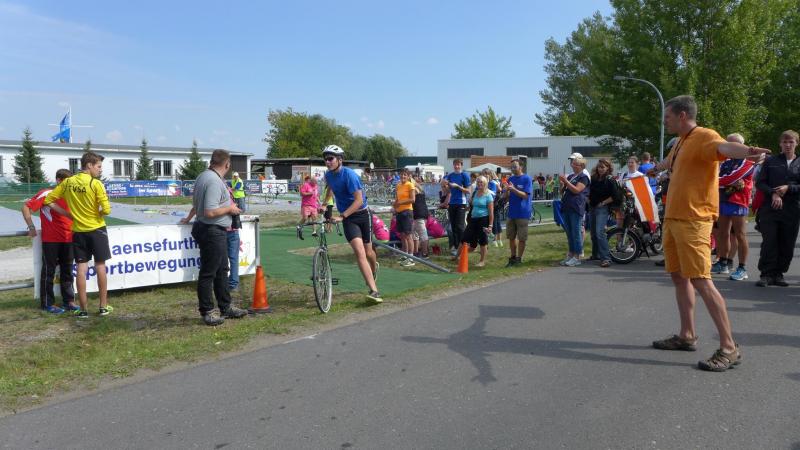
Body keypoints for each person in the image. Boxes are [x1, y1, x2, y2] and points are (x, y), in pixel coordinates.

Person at [652, 94, 770, 371]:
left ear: (682, 115)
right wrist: (651, 169)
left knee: (701, 280)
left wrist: (750, 151)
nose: (664, 121)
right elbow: (668, 163)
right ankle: (687, 335)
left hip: (694, 220)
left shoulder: (704, 136)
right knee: (679, 277)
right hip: (674, 218)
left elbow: (725, 148)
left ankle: (729, 347)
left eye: (667, 117)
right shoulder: (680, 142)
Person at [44, 152, 112, 319]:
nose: (100, 170)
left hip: (78, 232)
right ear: (89, 165)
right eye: (99, 166)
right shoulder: (95, 184)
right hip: (97, 230)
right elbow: (107, 210)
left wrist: (69, 215)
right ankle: (103, 307)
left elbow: (48, 201)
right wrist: (96, 213)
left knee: (81, 268)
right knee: (100, 266)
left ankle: (83, 309)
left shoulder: (68, 182)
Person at [188, 150, 249, 326]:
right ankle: (207, 311)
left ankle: (225, 306)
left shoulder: (203, 176)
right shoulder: (214, 181)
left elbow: (200, 206)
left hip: (211, 229)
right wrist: (230, 209)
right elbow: (210, 211)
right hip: (211, 230)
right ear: (227, 164)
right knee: (209, 272)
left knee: (222, 269)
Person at [321, 145, 382, 303]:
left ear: (340, 160)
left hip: (362, 214)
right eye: (325, 159)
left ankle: (373, 268)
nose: (327, 162)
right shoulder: (329, 175)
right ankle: (374, 291)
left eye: (330, 159)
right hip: (349, 219)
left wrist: (342, 216)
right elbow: (330, 189)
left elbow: (359, 200)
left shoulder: (350, 175)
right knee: (359, 253)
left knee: (369, 252)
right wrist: (324, 203)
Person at [22, 169, 78, 314]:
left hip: (69, 238)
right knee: (49, 272)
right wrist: (31, 227)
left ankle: (69, 301)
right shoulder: (47, 193)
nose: (70, 185)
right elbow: (26, 207)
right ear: (58, 180)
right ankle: (47, 303)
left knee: (67, 271)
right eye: (67, 182)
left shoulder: (72, 194)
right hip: (51, 239)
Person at [754, 130, 800, 287]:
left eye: (791, 142)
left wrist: (789, 188)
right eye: (785, 142)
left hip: (792, 209)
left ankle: (779, 274)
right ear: (780, 144)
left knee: (787, 242)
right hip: (770, 208)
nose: (788, 145)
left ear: (796, 143)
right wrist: (773, 193)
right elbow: (760, 183)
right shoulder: (771, 161)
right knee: (770, 241)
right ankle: (766, 274)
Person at [711, 133, 758, 281]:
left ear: (741, 146)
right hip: (723, 200)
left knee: (740, 235)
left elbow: (728, 178)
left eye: (733, 144)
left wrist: (719, 182)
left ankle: (742, 268)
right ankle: (723, 263)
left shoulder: (748, 163)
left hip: (738, 201)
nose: (729, 147)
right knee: (722, 233)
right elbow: (717, 178)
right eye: (728, 144)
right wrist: (722, 182)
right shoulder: (725, 162)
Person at [559, 156, 590, 267]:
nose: (573, 166)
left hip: (576, 207)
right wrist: (562, 184)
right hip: (567, 206)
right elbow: (562, 191)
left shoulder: (584, 177)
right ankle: (571, 254)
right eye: (573, 164)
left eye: (576, 164)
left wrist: (566, 181)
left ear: (582, 166)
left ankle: (577, 256)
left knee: (576, 232)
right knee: (569, 232)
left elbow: (577, 190)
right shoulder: (571, 176)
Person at [461, 176, 494, 267]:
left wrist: (490, 226)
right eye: (478, 182)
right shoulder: (475, 193)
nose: (479, 184)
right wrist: (466, 208)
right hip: (473, 219)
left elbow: (491, 213)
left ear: (485, 183)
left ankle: (482, 261)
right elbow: (472, 205)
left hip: (483, 219)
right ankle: (459, 256)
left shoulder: (488, 195)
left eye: (481, 182)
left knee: (483, 241)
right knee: (465, 238)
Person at [504, 159, 532, 267]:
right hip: (512, 212)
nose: (512, 168)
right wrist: (506, 190)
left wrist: (513, 189)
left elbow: (526, 196)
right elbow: (506, 197)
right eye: (511, 167)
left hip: (522, 213)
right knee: (511, 237)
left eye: (515, 166)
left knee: (522, 238)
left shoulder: (527, 178)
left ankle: (519, 259)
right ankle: (512, 257)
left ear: (521, 167)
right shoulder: (510, 179)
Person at [588, 159, 616, 267]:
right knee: (593, 233)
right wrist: (587, 199)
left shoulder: (610, 180)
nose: (600, 169)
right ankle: (596, 254)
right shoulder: (594, 178)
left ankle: (606, 258)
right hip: (592, 207)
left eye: (603, 167)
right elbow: (588, 191)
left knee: (600, 233)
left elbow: (615, 196)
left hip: (602, 208)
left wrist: (603, 203)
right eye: (599, 167)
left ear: (608, 168)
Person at [440, 159, 471, 256]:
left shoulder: (464, 175)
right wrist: (444, 185)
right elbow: (446, 190)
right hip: (452, 203)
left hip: (461, 203)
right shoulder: (450, 175)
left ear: (461, 165)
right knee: (453, 227)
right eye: (455, 165)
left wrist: (457, 186)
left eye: (458, 165)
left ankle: (463, 247)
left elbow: (468, 191)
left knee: (460, 226)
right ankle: (456, 247)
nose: (456, 166)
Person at [393, 169, 416, 267]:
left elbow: (412, 199)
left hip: (407, 212)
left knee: (408, 235)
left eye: (405, 175)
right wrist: (394, 206)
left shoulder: (410, 185)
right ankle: (405, 254)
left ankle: (411, 258)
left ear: (408, 176)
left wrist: (400, 202)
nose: (403, 176)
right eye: (402, 175)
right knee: (402, 235)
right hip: (399, 212)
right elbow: (397, 199)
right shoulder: (398, 185)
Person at [411, 175, 430, 258]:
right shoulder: (420, 189)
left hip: (419, 214)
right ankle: (416, 252)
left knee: (423, 234)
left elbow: (411, 200)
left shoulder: (414, 189)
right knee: (415, 233)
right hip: (421, 213)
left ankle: (425, 253)